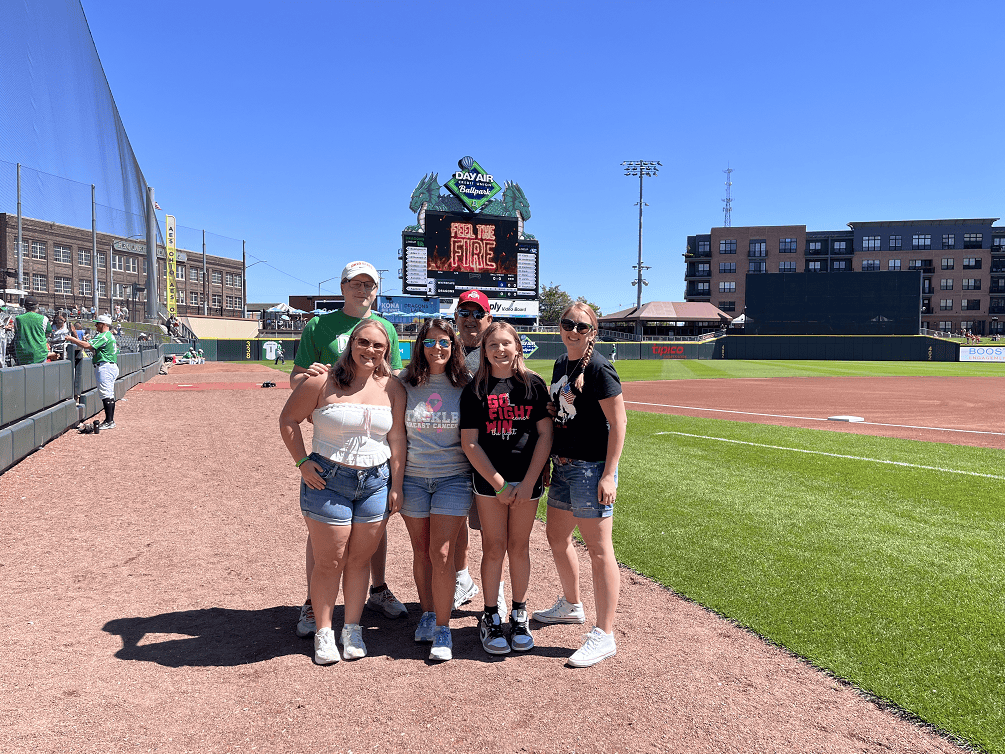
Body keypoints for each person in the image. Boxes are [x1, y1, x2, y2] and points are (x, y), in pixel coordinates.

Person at [289, 261, 406, 638]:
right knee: (327, 537)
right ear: (342, 287)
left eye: (368, 285)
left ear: (376, 290)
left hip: (373, 458)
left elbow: (393, 378)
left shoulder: (386, 327)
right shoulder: (318, 326)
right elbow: (297, 377)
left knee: (371, 529)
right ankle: (313, 603)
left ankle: (378, 587)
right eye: (355, 283)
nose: (361, 290)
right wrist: (316, 391)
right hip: (331, 443)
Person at [534, 302, 627, 668]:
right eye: (568, 323)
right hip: (564, 466)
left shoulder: (601, 369)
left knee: (600, 549)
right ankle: (571, 605)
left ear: (593, 331)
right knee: (556, 537)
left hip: (591, 469)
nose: (573, 330)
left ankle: (605, 634)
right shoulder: (562, 364)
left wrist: (609, 473)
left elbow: (619, 424)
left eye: (582, 326)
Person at [460, 321, 552, 655]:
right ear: (484, 351)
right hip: (490, 483)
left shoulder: (533, 385)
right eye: (492, 345)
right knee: (494, 547)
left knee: (519, 547)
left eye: (506, 344)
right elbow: (470, 443)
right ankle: (489, 616)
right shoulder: (476, 389)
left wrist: (528, 482)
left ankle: (519, 612)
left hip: (527, 481)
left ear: (518, 347)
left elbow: (545, 434)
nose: (500, 350)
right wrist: (499, 484)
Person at [399, 318, 471, 662]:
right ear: (420, 347)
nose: (437, 348)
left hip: (453, 478)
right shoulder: (404, 382)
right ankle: (427, 613)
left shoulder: (466, 383)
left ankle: (444, 627)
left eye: (444, 342)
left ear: (453, 346)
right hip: (413, 478)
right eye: (430, 343)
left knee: (442, 553)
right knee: (422, 550)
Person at [451, 290, 494, 610]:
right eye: (465, 312)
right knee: (453, 522)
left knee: (491, 528)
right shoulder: (444, 351)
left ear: (488, 319)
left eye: (478, 313)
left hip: (486, 453)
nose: (471, 319)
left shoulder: (495, 353)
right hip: (450, 453)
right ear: (456, 317)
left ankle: (499, 590)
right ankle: (462, 578)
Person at [65, 314, 120, 430]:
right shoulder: (109, 335)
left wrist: (72, 339)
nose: (95, 325)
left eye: (98, 323)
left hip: (105, 366)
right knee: (109, 394)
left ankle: (109, 421)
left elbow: (87, 346)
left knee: (106, 395)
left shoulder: (104, 335)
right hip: (109, 365)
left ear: (103, 324)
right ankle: (109, 420)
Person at [13, 296, 49, 365]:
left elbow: (16, 332)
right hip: (40, 354)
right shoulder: (44, 319)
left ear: (25, 306)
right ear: (36, 306)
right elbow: (48, 333)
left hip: (23, 354)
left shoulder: (18, 319)